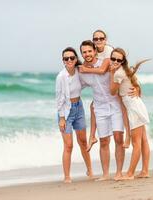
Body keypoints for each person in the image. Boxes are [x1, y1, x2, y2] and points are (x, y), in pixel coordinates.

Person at [78, 40, 125, 181]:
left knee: (118, 137)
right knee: (104, 141)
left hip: (115, 104)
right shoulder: (81, 73)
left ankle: (118, 173)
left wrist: (134, 88)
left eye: (89, 51)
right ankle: (105, 174)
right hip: (99, 107)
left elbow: (124, 72)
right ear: (82, 53)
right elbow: (75, 87)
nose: (87, 54)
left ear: (94, 51)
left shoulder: (106, 62)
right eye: (84, 52)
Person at [109, 47, 151, 180]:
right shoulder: (126, 71)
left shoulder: (118, 74)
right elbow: (137, 85)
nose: (115, 61)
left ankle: (130, 173)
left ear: (122, 61)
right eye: (113, 58)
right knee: (143, 140)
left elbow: (112, 92)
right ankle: (144, 171)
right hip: (136, 104)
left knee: (136, 142)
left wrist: (111, 73)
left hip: (133, 106)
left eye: (118, 59)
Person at [56, 47, 93, 183]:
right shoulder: (61, 77)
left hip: (79, 108)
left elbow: (88, 80)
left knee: (83, 142)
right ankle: (67, 177)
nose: (69, 60)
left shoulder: (79, 71)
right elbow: (59, 98)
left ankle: (90, 170)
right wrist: (61, 118)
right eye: (66, 58)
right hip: (66, 112)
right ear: (63, 61)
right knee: (69, 145)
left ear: (76, 59)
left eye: (72, 58)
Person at [86, 30, 114, 152]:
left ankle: (126, 137)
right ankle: (92, 136)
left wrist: (85, 70)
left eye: (101, 38)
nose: (98, 41)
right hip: (104, 89)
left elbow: (103, 69)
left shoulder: (109, 50)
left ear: (105, 39)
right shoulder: (93, 52)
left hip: (115, 85)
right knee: (93, 106)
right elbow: (89, 63)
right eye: (95, 39)